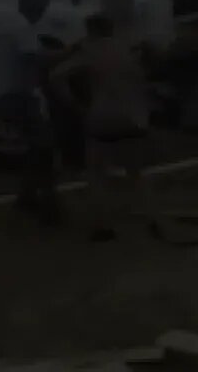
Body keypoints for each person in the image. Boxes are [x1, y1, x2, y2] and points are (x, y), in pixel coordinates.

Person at [50, 13, 161, 243]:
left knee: (96, 172)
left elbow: (56, 75)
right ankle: (154, 220)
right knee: (135, 172)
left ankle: (104, 226)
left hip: (103, 118)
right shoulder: (127, 48)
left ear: (90, 30)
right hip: (134, 117)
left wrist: (73, 103)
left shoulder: (89, 50)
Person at [0, 0, 61, 225]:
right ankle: (49, 206)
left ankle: (27, 198)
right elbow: (38, 59)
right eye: (41, 6)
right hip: (15, 98)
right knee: (45, 147)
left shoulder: (15, 27)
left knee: (37, 148)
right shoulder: (22, 28)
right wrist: (72, 51)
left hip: (7, 97)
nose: (43, 11)